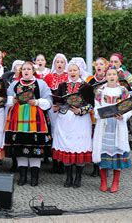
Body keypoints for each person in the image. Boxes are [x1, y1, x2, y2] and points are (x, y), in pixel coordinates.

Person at [5, 61, 52, 187]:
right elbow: (6, 99)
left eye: (28, 69)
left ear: (33, 71)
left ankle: (34, 177)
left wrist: (36, 102)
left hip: (35, 118)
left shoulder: (40, 84)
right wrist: (12, 100)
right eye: (24, 69)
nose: (26, 71)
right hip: (18, 118)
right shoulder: (15, 84)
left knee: (35, 146)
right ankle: (23, 176)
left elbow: (49, 101)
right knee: (20, 146)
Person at [51, 60, 93, 188]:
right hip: (64, 121)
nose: (72, 72)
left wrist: (80, 110)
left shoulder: (86, 87)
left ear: (80, 71)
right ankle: (68, 177)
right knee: (66, 147)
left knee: (78, 146)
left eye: (75, 70)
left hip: (80, 121)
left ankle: (78, 177)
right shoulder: (62, 85)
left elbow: (91, 105)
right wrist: (56, 106)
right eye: (70, 70)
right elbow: (57, 101)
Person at [93, 67, 132, 193]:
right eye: (109, 74)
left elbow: (128, 108)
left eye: (114, 74)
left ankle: (116, 181)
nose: (111, 76)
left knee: (117, 152)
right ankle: (103, 181)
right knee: (103, 152)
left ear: (117, 76)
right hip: (104, 125)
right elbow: (96, 108)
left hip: (118, 125)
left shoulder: (123, 91)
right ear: (105, 76)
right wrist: (100, 114)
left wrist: (123, 116)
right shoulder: (100, 91)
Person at [44, 53, 68, 174]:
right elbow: (45, 92)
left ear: (65, 64)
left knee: (63, 133)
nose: (59, 64)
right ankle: (54, 162)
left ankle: (63, 162)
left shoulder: (69, 77)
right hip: (52, 109)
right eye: (57, 62)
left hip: (64, 110)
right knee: (53, 133)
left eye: (62, 62)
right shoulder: (48, 77)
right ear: (54, 64)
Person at [86, 57, 110, 177]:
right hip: (93, 114)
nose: (99, 66)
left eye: (102, 64)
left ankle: (105, 166)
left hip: (107, 113)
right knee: (94, 139)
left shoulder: (109, 80)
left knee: (105, 139)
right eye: (97, 64)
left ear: (106, 66)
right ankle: (95, 166)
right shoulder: (90, 81)